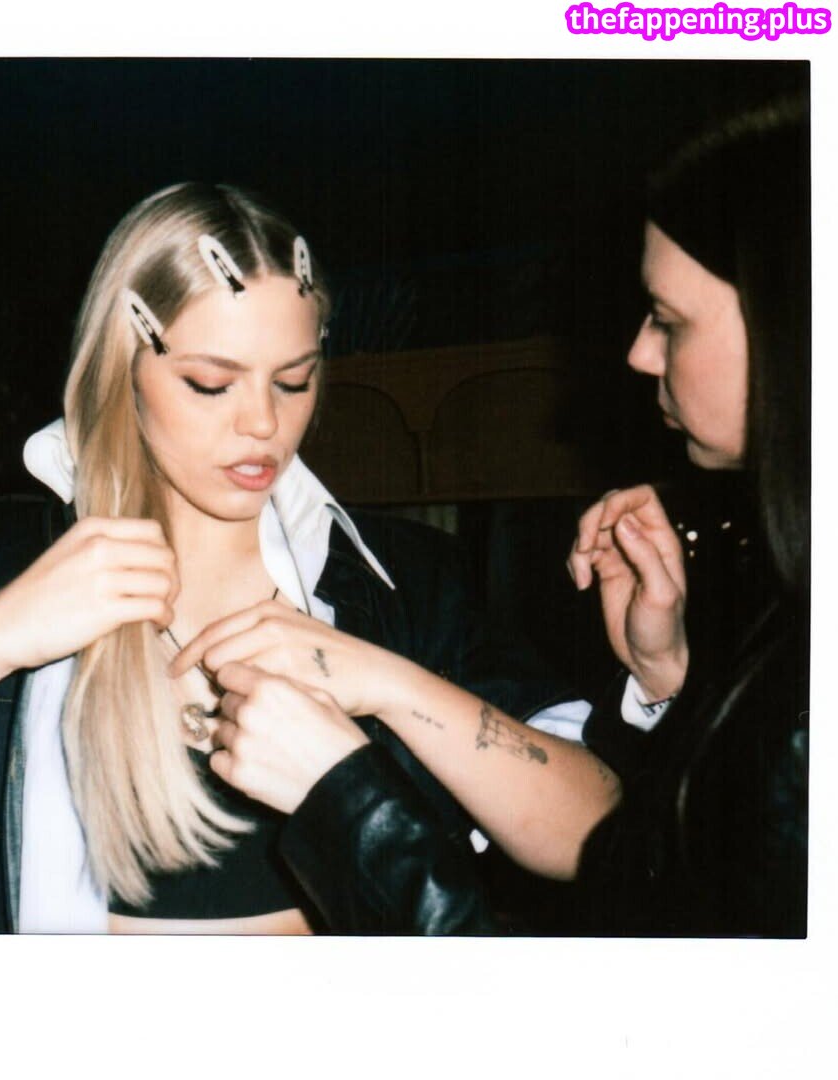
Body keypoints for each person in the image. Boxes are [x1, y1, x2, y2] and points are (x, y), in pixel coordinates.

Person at [0, 181, 618, 934]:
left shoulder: (401, 580)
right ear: (123, 367)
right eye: (209, 383)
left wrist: (384, 681)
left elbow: (592, 835)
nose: (263, 424)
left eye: (295, 379)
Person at [203, 97, 809, 937]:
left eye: (669, 321)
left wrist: (346, 789)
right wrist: (664, 681)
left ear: (790, 328)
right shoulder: (15, 568)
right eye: (209, 381)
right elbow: (680, 879)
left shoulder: (413, 579)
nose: (638, 352)